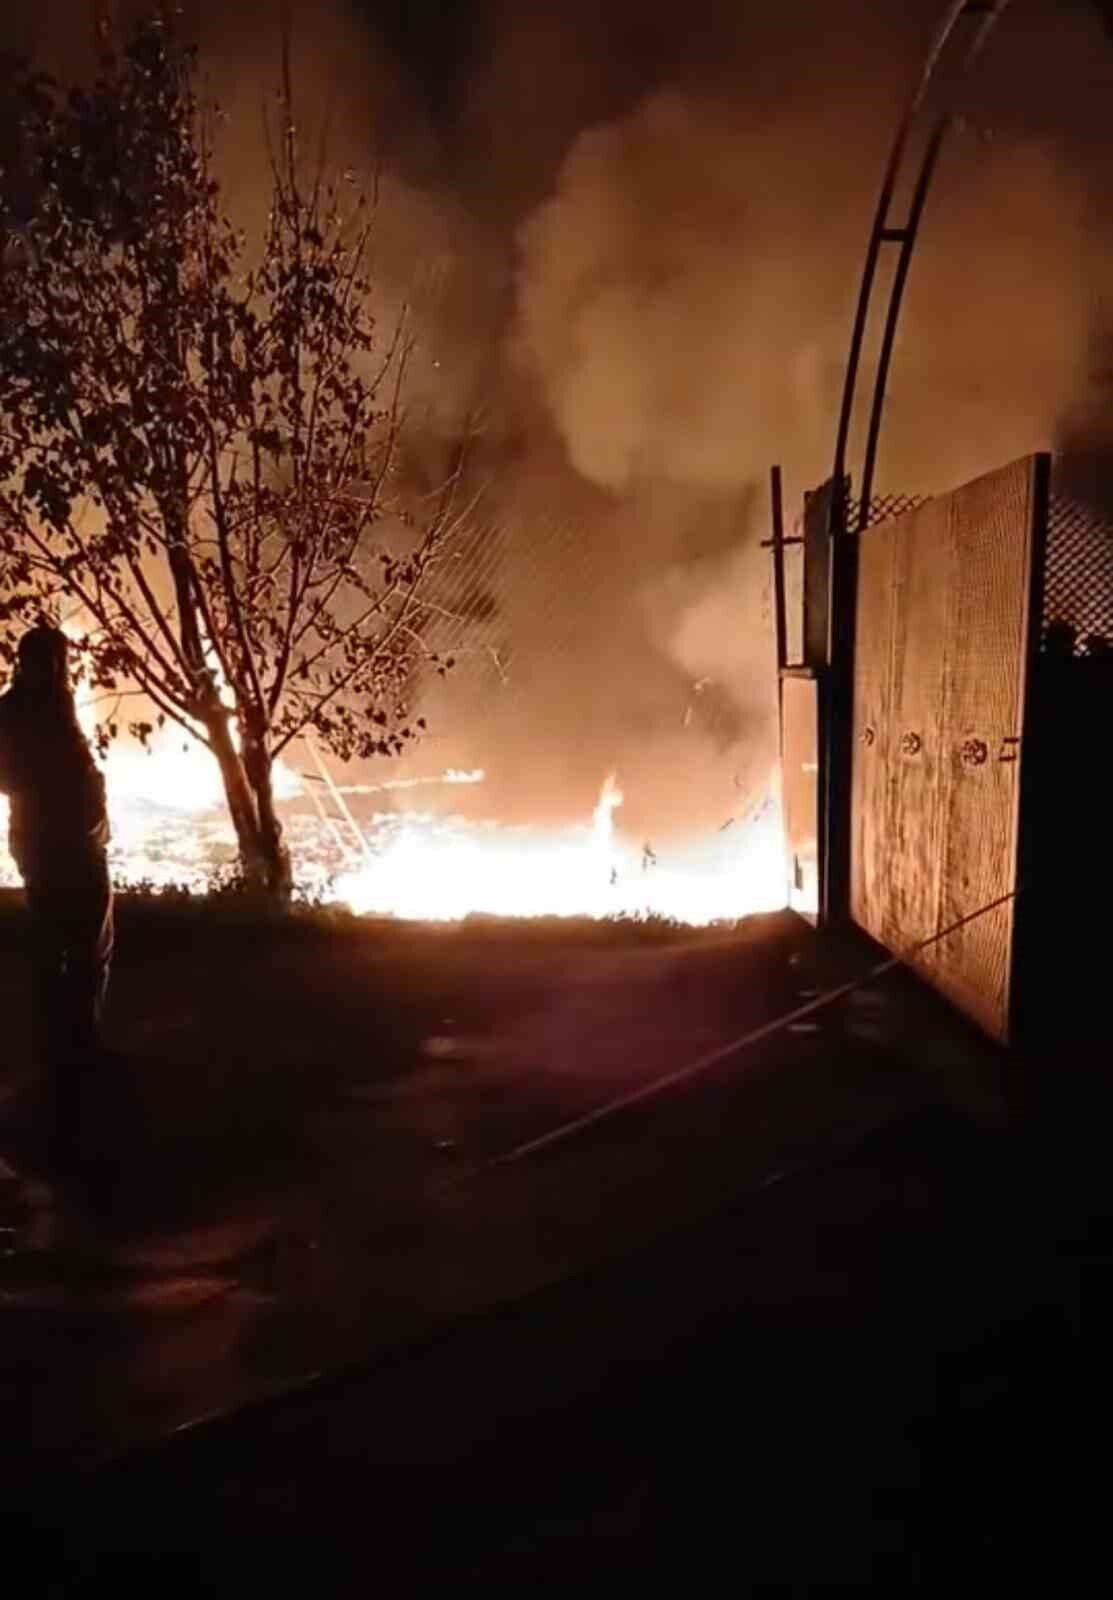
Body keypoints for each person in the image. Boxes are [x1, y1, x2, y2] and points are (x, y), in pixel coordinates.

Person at [0, 625, 113, 1069]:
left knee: (60, 940)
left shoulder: (33, 706)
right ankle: (75, 1043)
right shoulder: (36, 709)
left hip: (49, 837)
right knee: (85, 942)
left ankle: (60, 1042)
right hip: (63, 839)